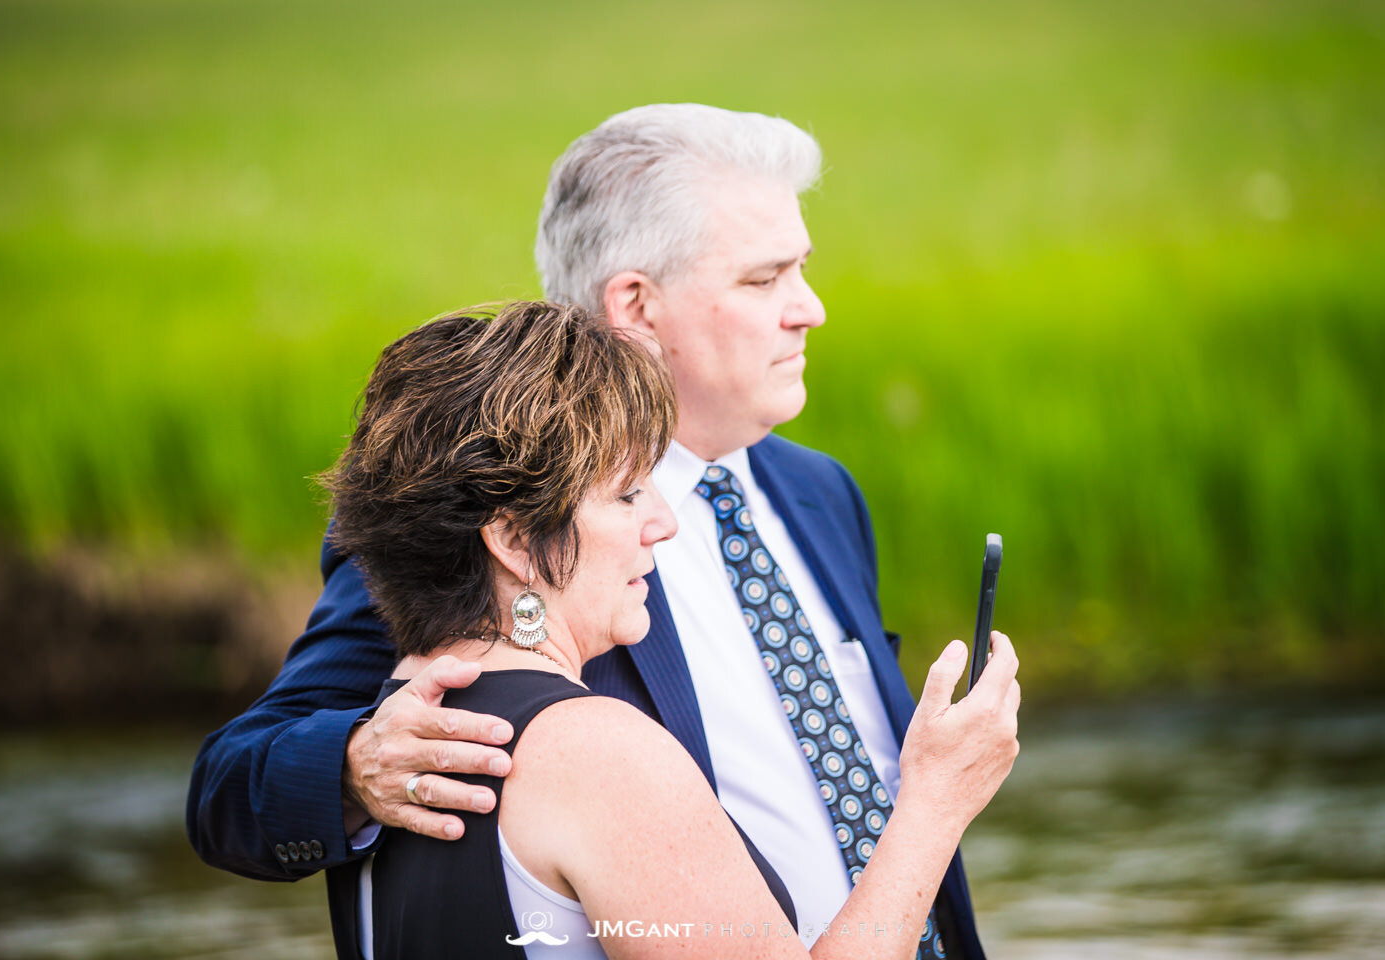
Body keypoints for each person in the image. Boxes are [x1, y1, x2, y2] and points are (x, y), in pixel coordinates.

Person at [188, 104, 998, 956]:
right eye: (764, 280)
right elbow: (229, 790)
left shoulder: (820, 494)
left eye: (803, 270)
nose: (811, 309)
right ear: (637, 305)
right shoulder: (479, 517)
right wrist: (356, 762)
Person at [315, 300, 1020, 959]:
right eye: (626, 495)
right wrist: (933, 803)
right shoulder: (601, 755)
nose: (665, 522)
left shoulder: (391, 733)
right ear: (516, 542)